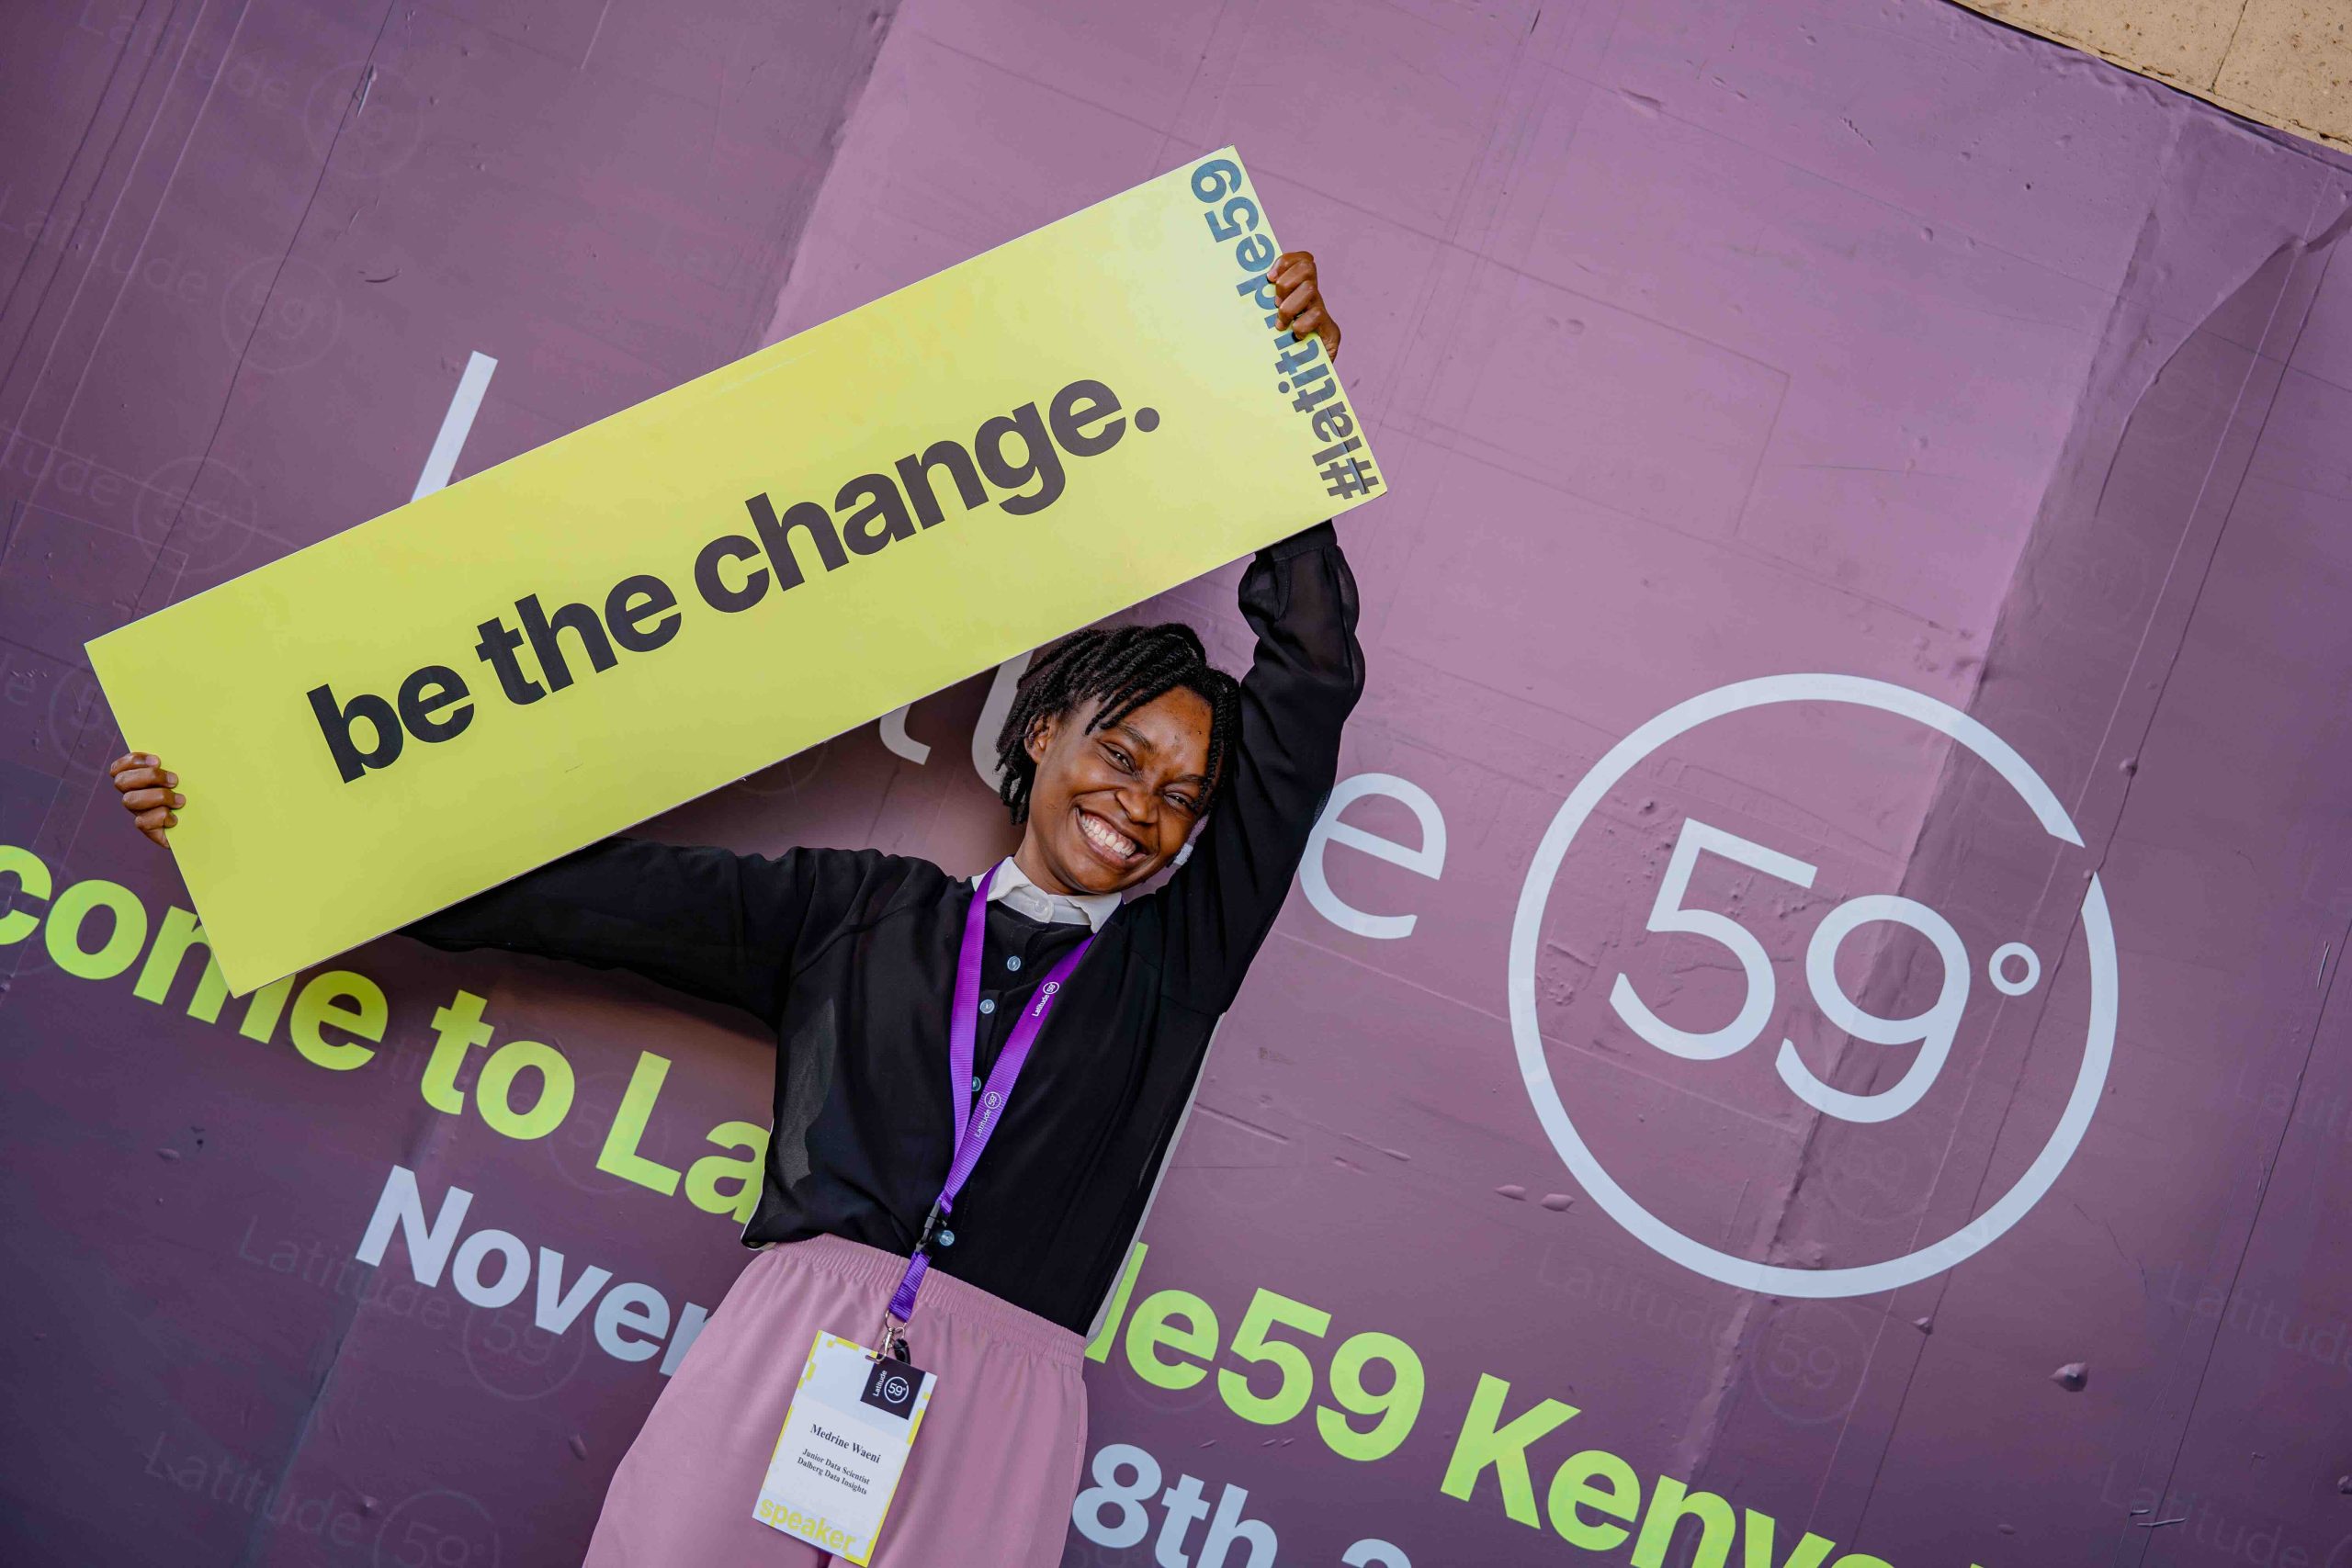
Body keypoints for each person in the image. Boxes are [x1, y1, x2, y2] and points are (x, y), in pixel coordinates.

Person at [106, 251, 1361, 1566]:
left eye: (1181, 795)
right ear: (1044, 732)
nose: (1141, 805)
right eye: (1121, 754)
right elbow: (567, 902)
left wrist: (1287, 405)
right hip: (792, 1350)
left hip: (1007, 1414)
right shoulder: (854, 912)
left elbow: (1311, 685)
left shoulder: (1178, 961)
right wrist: (256, 823)